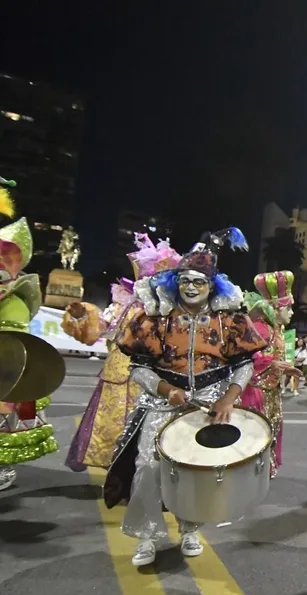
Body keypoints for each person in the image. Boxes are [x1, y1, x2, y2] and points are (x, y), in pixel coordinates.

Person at [103, 228, 267, 567]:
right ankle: (148, 535)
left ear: (213, 285)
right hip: (163, 401)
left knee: (196, 468)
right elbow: (138, 368)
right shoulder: (156, 316)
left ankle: (190, 528)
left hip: (210, 400)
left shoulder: (230, 319)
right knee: (148, 465)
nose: (190, 287)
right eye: (184, 280)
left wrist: (228, 399)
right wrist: (167, 390)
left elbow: (244, 363)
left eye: (199, 282)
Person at [61, 233, 182, 471]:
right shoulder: (124, 304)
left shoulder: (172, 311)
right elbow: (101, 330)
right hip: (119, 377)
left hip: (156, 379)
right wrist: (81, 316)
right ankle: (119, 476)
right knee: (113, 427)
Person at [0, 216, 65, 491]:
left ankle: (3, 467)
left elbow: (12, 345)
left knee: (4, 424)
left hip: (5, 375)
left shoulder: (14, 303)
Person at [241, 271, 302, 477]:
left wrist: (282, 366)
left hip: (268, 390)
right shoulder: (261, 328)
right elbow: (247, 357)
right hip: (256, 392)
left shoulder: (274, 328)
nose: (292, 313)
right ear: (276, 307)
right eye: (289, 307)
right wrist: (274, 363)